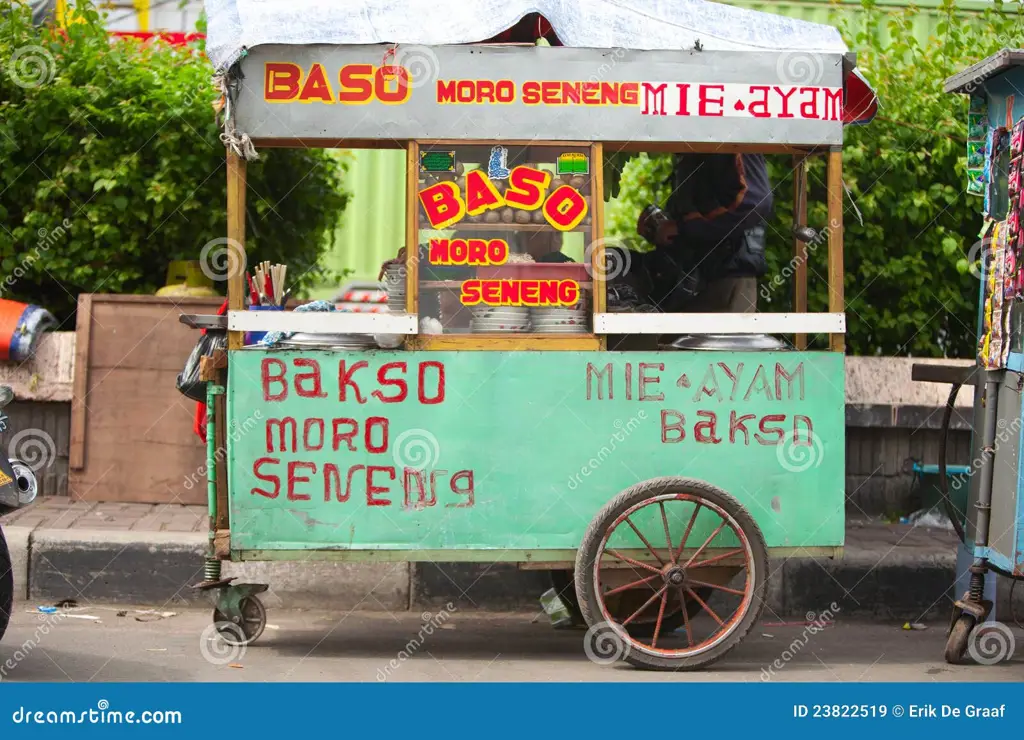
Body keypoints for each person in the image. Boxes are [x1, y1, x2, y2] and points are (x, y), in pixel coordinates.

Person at [635, 153, 772, 313]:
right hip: (692, 282)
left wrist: (683, 227)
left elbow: (754, 202)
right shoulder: (694, 152)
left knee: (722, 338)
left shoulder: (730, 140)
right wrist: (664, 228)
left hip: (727, 279)